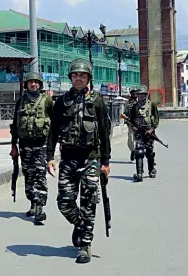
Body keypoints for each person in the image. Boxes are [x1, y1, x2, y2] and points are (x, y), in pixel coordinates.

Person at [46, 58, 111, 264]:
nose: (79, 78)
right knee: (64, 202)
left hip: (91, 159)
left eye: (82, 75)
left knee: (89, 203)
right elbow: (53, 132)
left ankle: (85, 245)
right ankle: (81, 225)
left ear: (88, 78)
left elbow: (104, 132)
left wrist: (106, 162)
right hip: (68, 160)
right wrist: (50, 157)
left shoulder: (97, 101)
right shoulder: (61, 102)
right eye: (75, 75)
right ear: (71, 78)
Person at [10, 72, 54, 224]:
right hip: (24, 145)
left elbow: (54, 124)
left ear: (40, 84)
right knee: (28, 175)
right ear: (26, 85)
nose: (33, 84)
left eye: (36, 82)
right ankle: (33, 203)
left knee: (40, 175)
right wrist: (13, 144)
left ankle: (40, 207)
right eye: (31, 82)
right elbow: (15, 125)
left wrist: (53, 147)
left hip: (41, 144)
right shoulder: (20, 102)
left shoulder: (47, 101)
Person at [127, 85, 159, 182]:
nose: (141, 96)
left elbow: (156, 118)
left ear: (146, 95)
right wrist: (134, 127)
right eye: (139, 95)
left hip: (149, 131)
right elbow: (130, 120)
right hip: (139, 132)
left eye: (143, 94)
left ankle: (151, 170)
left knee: (149, 152)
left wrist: (152, 129)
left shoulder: (152, 105)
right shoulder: (134, 106)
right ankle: (139, 173)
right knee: (139, 152)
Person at [124, 87, 138, 161]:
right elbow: (125, 113)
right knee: (130, 140)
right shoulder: (128, 103)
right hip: (131, 124)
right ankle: (133, 151)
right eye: (133, 92)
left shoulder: (141, 102)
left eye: (135, 92)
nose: (134, 94)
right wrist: (126, 119)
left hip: (140, 125)